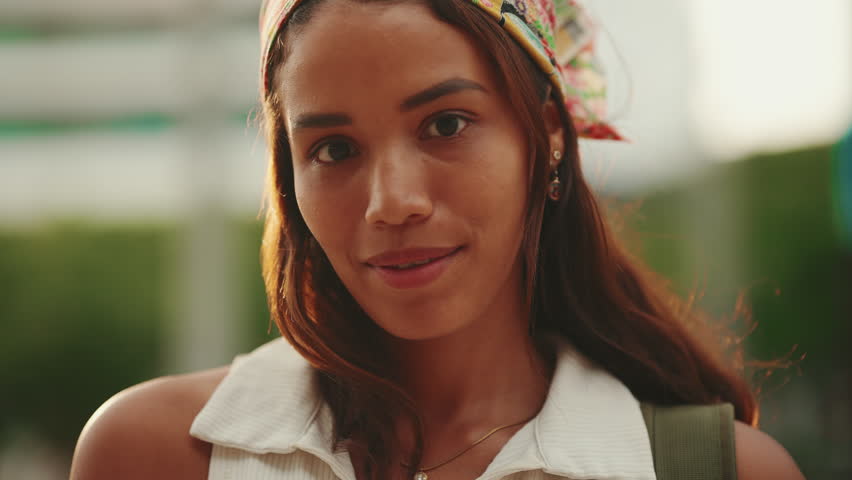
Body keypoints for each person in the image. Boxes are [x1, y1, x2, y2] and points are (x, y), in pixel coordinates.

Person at [69, 0, 807, 479]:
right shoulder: (158, 454)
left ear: (547, 135)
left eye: (445, 125)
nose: (393, 202)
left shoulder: (719, 470)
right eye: (334, 149)